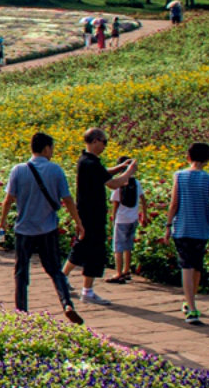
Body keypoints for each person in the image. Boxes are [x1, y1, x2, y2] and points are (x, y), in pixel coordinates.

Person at [0, 132, 85, 325]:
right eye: (51, 148)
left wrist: (2, 222)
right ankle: (66, 304)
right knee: (55, 269)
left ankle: (21, 310)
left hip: (24, 229)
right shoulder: (55, 170)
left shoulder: (18, 170)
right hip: (48, 228)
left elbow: (8, 200)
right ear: (46, 148)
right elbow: (68, 199)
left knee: (21, 271)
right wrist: (78, 222)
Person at [61, 128, 136, 305]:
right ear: (95, 141)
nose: (105, 146)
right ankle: (87, 290)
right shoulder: (92, 163)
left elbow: (103, 174)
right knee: (94, 251)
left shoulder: (86, 160)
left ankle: (62, 279)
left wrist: (119, 168)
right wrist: (129, 172)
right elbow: (113, 184)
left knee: (81, 247)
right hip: (93, 213)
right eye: (104, 142)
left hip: (85, 212)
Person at [164, 142, 209, 325]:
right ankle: (190, 302)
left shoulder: (179, 176)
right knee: (196, 266)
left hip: (182, 227)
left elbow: (174, 203)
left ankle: (191, 306)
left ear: (188, 156)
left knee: (186, 266)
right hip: (201, 229)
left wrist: (167, 225)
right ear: (208, 159)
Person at [106, 155, 146, 285]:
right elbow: (143, 199)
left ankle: (118, 272)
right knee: (128, 245)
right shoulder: (137, 183)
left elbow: (115, 204)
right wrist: (144, 215)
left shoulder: (119, 183)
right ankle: (127, 269)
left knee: (118, 246)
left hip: (121, 219)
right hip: (133, 218)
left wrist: (113, 220)